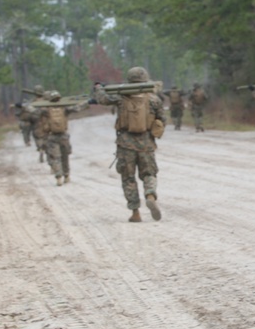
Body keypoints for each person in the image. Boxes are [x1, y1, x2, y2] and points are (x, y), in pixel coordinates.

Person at [92, 67, 167, 222]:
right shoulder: (153, 99)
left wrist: (99, 88)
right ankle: (150, 194)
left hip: (126, 144)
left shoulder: (121, 97)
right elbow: (162, 120)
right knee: (149, 173)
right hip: (146, 143)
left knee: (128, 178)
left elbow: (102, 99)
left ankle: (135, 213)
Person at [40, 91, 89, 186]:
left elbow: (33, 110)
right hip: (64, 136)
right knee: (65, 156)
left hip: (52, 136)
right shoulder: (65, 108)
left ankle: (58, 177)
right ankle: (66, 175)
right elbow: (77, 108)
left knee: (55, 157)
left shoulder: (46, 110)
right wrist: (88, 102)